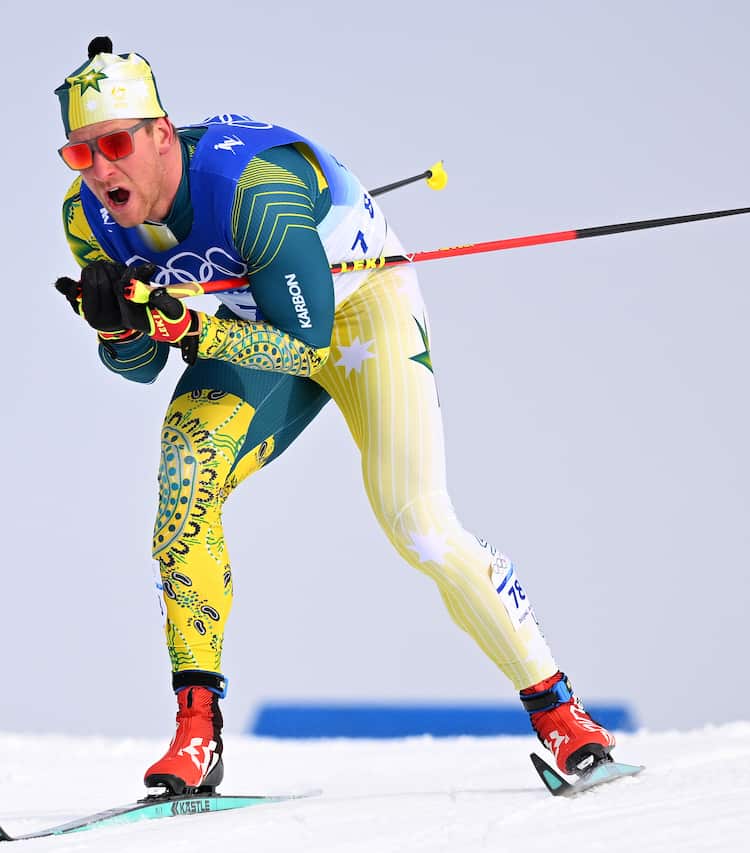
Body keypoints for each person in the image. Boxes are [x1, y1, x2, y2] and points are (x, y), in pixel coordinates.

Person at [51, 36, 619, 795]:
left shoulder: (254, 188)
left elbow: (303, 343)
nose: (101, 170)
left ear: (160, 134)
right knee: (184, 483)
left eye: (115, 144)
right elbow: (142, 368)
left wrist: (183, 327)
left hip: (357, 312)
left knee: (416, 520)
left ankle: (560, 710)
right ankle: (196, 734)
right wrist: (118, 327)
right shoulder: (87, 216)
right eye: (80, 155)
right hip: (250, 323)